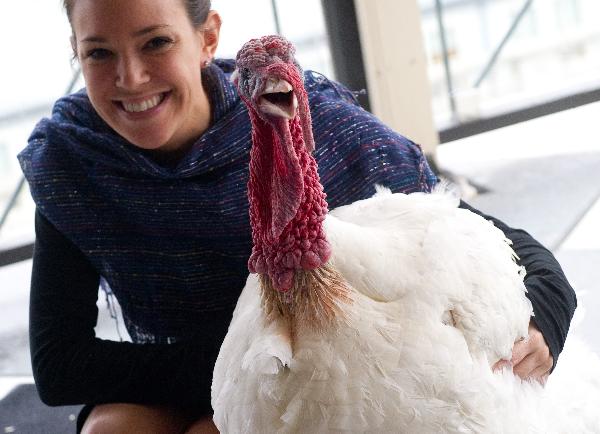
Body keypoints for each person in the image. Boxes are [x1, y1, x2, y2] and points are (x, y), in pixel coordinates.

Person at [18, 0, 576, 432]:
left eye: (156, 42)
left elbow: (480, 234)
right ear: (75, 50)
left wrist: (544, 314)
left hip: (310, 374)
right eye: (99, 53)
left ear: (207, 37)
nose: (130, 77)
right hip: (224, 366)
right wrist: (236, 370)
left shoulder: (302, 123)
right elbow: (60, 361)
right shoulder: (74, 160)